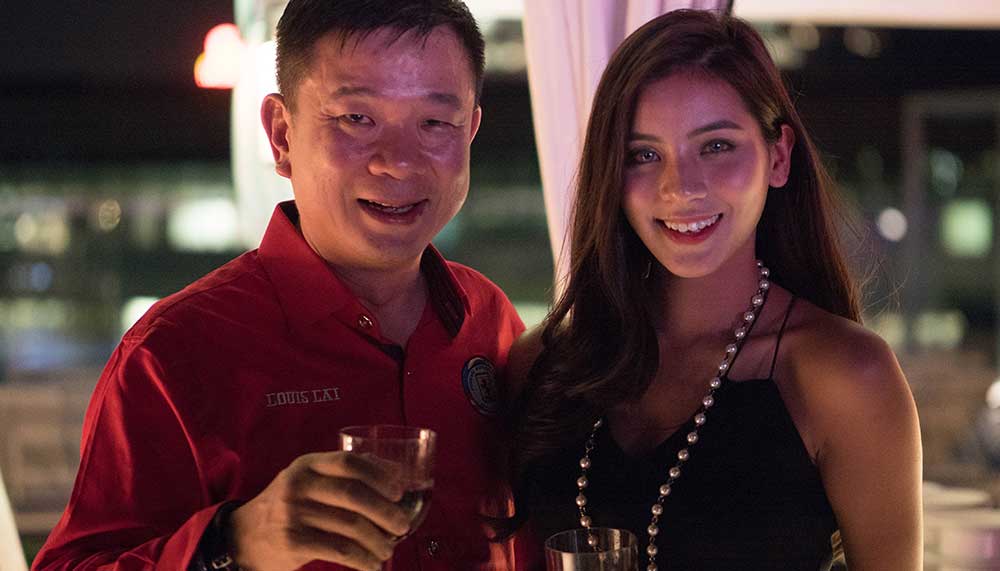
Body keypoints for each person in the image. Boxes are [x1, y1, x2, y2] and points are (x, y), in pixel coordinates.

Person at [32, 1, 527, 570]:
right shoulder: (174, 352)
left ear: (471, 132)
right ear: (282, 135)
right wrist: (233, 544)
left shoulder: (490, 321)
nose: (398, 163)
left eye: (435, 123)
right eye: (356, 118)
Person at [507, 9, 922, 570]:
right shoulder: (541, 364)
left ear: (778, 157)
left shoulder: (846, 376)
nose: (681, 188)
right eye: (644, 155)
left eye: (717, 146)